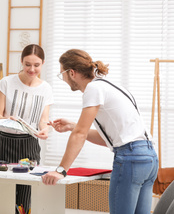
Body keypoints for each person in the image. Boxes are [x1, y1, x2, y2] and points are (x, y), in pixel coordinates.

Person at [42, 49, 158, 214]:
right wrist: (73, 126)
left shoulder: (93, 89)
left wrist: (61, 170)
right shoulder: (110, 85)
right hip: (149, 158)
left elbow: (80, 135)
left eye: (63, 75)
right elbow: (108, 139)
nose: (64, 80)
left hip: (130, 159)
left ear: (72, 73)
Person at [0, 44, 53, 213]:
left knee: (26, 195)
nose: (32, 69)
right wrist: (8, 120)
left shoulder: (46, 89)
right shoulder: (6, 83)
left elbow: (43, 120)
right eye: (27, 64)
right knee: (4, 193)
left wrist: (45, 130)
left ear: (42, 64)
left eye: (36, 65)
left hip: (30, 143)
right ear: (21, 61)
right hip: (6, 141)